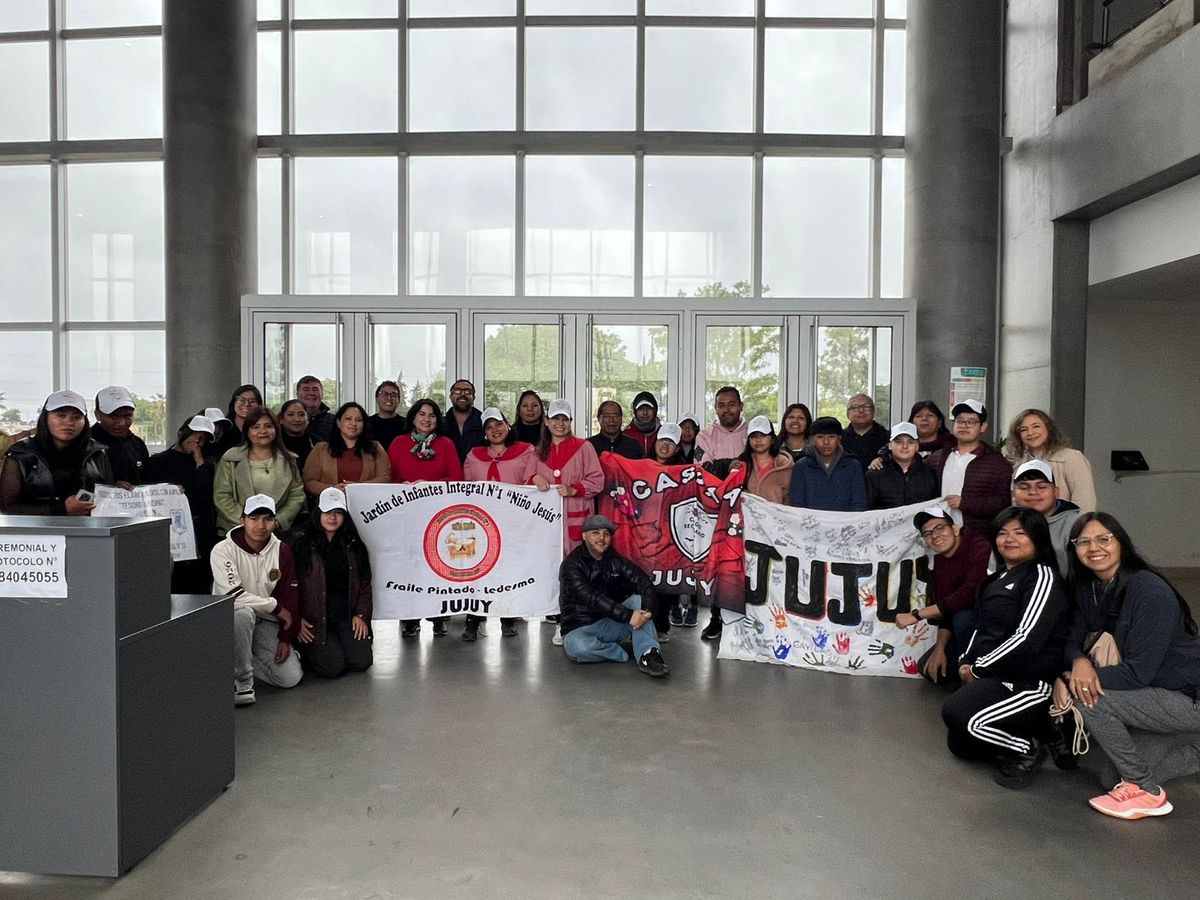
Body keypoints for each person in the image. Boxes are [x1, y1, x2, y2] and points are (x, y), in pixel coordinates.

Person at [1058, 513, 1200, 819]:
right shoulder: (1092, 587)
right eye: (1083, 541)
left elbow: (1138, 673)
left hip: (1189, 695)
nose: (1094, 547)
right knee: (1111, 778)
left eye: (1104, 538)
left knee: (1088, 697)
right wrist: (1079, 661)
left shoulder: (1148, 590)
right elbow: (1072, 639)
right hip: (1162, 693)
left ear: (1121, 543)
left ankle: (1147, 791)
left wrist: (1072, 679)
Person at [940, 507, 1073, 789]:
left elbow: (1027, 638)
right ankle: (1040, 727)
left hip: (1029, 679)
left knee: (961, 716)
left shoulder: (1041, 576)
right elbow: (979, 626)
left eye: (1020, 533)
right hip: (995, 674)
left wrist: (979, 668)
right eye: (1003, 533)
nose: (1009, 539)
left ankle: (1027, 747)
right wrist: (966, 661)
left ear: (1038, 538)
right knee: (960, 745)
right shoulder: (995, 579)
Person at [210, 493, 302, 705]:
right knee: (243, 614)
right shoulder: (222, 550)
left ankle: (240, 660)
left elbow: (290, 593)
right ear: (242, 520)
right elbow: (233, 596)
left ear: (275, 522)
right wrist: (275, 607)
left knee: (289, 678)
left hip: (265, 620)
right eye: (253, 519)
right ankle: (243, 681)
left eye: (267, 519)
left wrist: (286, 637)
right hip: (230, 619)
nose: (260, 525)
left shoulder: (282, 550)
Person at [532, 399, 605, 646]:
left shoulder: (583, 448)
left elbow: (597, 481)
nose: (560, 424)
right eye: (555, 419)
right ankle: (561, 620)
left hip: (576, 523)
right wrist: (534, 478)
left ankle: (579, 622)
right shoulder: (537, 451)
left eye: (565, 419)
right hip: (548, 526)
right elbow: (522, 479)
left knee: (579, 575)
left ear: (571, 422)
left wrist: (574, 489)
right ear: (547, 421)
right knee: (555, 573)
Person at [559, 515, 668, 677]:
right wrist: (629, 616)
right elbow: (591, 597)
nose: (601, 538)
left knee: (639, 601)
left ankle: (648, 655)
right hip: (579, 627)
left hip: (611, 622)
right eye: (595, 533)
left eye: (606, 533)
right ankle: (621, 652)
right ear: (584, 536)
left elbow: (642, 579)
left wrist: (649, 610)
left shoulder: (613, 558)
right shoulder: (571, 565)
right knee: (577, 647)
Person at [462, 407, 537, 640]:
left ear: (507, 425)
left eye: (498, 424)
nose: (494, 430)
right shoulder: (474, 455)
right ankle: (473, 618)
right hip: (482, 523)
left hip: (514, 523)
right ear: (484, 432)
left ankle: (508, 618)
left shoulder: (526, 451)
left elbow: (531, 480)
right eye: (489, 427)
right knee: (477, 571)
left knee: (509, 570)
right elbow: (465, 488)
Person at [388, 398, 461, 637]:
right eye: (422, 414)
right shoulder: (398, 443)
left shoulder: (446, 444)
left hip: (439, 515)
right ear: (413, 417)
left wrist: (429, 486)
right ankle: (410, 616)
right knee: (410, 566)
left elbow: (457, 479)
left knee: (439, 565)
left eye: (431, 415)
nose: (426, 419)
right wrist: (405, 487)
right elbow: (389, 479)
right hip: (407, 516)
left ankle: (439, 615)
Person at [898, 506, 991, 686]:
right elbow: (946, 611)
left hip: (991, 626)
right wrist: (939, 649)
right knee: (928, 667)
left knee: (963, 618)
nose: (935, 536)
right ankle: (971, 676)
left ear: (955, 529)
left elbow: (969, 595)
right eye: (928, 533)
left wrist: (916, 615)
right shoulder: (940, 561)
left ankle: (979, 682)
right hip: (966, 630)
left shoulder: (979, 546)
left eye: (940, 528)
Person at [290, 487, 374, 679]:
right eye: (328, 512)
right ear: (318, 512)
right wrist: (296, 620)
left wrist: (361, 614)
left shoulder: (354, 546)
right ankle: (305, 650)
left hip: (344, 617)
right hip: (313, 620)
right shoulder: (300, 544)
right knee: (332, 668)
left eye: (338, 513)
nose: (332, 518)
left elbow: (364, 584)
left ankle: (336, 645)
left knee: (362, 661)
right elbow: (289, 586)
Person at [0, 390, 113, 516]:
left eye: (76, 417)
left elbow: (107, 498)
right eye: (61, 415)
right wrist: (60, 510)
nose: (69, 422)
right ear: (46, 418)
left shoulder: (97, 452)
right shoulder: (21, 453)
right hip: (36, 533)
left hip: (90, 531)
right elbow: (6, 507)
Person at [144, 414, 218, 594]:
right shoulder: (158, 461)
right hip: (168, 532)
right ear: (184, 432)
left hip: (198, 532)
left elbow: (204, 499)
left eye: (203, 439)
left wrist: (199, 462)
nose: (198, 442)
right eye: (195, 435)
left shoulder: (207, 465)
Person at [213, 406, 305, 537]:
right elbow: (222, 496)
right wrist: (249, 523)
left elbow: (297, 496)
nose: (262, 431)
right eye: (256, 427)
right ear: (247, 431)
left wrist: (276, 521)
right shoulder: (231, 459)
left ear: (276, 429)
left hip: (277, 533)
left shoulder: (289, 460)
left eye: (268, 426)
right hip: (237, 531)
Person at [927, 399, 1012, 536]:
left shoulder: (996, 463)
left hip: (977, 536)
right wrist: (883, 456)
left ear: (983, 427)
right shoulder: (937, 458)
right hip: (940, 535)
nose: (964, 426)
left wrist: (965, 503)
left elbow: (1003, 502)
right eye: (960, 421)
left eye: (971, 422)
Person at [1004, 408, 1097, 512]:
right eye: (1023, 429)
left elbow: (1085, 502)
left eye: (1036, 426)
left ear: (1048, 428)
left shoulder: (1072, 458)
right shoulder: (1018, 465)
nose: (1030, 432)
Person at [302, 402, 392, 497]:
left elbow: (385, 477)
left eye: (358, 420)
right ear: (338, 422)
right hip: (330, 507)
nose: (353, 423)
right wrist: (332, 489)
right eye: (348, 419)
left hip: (368, 505)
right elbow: (309, 481)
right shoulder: (320, 449)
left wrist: (358, 488)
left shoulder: (375, 447)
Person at [1010, 459, 1080, 574]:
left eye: (1041, 486)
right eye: (1024, 487)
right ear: (1013, 495)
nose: (1033, 492)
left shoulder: (1076, 525)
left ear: (1056, 492)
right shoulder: (1006, 524)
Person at [787, 416, 866, 511]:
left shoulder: (852, 465)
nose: (826, 442)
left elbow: (859, 502)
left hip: (845, 523)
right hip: (811, 523)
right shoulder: (802, 466)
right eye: (820, 437)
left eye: (831, 437)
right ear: (812, 440)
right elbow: (797, 504)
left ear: (839, 439)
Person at [865, 422, 939, 510]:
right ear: (890, 446)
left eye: (910, 442)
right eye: (898, 442)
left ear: (917, 446)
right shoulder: (874, 474)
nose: (904, 446)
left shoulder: (929, 473)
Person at [90, 385, 148, 488]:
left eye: (127, 416)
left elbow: (148, 477)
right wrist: (111, 487)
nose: (121, 423)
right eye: (113, 416)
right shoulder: (86, 443)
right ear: (97, 415)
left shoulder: (137, 443)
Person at [695, 386, 747, 476]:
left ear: (741, 406)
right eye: (721, 405)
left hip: (749, 489)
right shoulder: (705, 436)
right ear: (716, 408)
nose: (726, 410)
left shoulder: (753, 433)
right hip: (715, 488)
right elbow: (702, 470)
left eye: (732, 404)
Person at [210, 384, 263, 460]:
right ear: (233, 402)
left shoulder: (262, 430)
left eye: (252, 401)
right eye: (241, 400)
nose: (247, 404)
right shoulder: (222, 428)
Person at [841, 393, 890, 472]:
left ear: (873, 412)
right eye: (855, 407)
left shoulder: (888, 437)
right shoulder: (839, 438)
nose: (861, 411)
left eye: (866, 407)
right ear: (847, 414)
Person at [441, 378, 485, 463]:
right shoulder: (440, 424)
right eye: (457, 391)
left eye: (468, 391)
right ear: (450, 396)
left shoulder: (484, 422)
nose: (462, 394)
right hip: (448, 474)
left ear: (474, 397)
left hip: (477, 474)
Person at [367, 380, 407, 451]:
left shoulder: (407, 424)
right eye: (385, 394)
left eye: (394, 395)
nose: (389, 398)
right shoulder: (366, 423)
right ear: (377, 398)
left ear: (399, 400)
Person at [278, 399, 316, 472]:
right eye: (291, 414)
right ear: (281, 419)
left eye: (302, 415)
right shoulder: (273, 442)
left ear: (308, 419)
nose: (297, 419)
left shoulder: (317, 443)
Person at [296, 374, 335, 444]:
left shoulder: (335, 422)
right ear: (297, 394)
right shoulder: (288, 421)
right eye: (306, 389)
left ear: (322, 394)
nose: (311, 393)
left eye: (315, 389)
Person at [622, 390, 661, 457]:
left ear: (655, 410)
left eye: (649, 408)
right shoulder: (626, 435)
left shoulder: (663, 433)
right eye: (640, 409)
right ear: (635, 411)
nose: (645, 413)